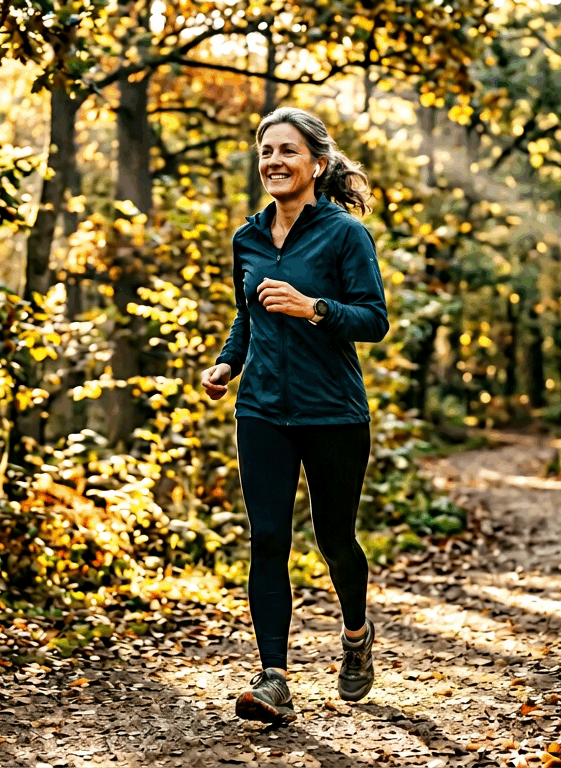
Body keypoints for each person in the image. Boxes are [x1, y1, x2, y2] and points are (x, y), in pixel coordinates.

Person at [199, 106, 390, 725]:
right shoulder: (247, 237)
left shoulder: (343, 235)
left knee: (335, 539)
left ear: (318, 163)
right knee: (268, 539)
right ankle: (274, 677)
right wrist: (228, 365)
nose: (273, 162)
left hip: (332, 412)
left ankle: (357, 637)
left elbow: (374, 319)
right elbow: (245, 316)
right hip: (261, 411)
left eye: (287, 151)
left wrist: (314, 309)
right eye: (265, 152)